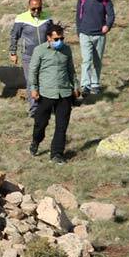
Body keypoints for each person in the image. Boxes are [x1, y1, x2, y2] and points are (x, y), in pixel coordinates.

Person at [28, 23, 80, 163]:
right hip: (46, 93)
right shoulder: (40, 50)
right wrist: (34, 88)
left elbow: (71, 70)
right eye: (56, 39)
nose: (59, 42)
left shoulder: (66, 50)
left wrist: (75, 86)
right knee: (40, 123)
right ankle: (36, 141)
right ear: (49, 38)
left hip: (64, 93)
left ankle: (56, 154)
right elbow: (33, 71)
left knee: (62, 125)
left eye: (61, 38)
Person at [9, 0, 52, 116]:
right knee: (31, 81)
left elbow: (52, 34)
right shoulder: (21, 19)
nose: (37, 12)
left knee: (45, 80)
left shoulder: (47, 17)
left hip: (45, 54)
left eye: (39, 9)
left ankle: (45, 106)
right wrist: (13, 52)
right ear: (29, 7)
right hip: (28, 55)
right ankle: (34, 109)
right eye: (34, 9)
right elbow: (14, 36)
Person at [75, 0, 115, 95]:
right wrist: (79, 31)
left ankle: (95, 84)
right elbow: (78, 16)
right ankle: (85, 85)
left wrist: (107, 26)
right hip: (85, 34)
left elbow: (111, 15)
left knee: (97, 60)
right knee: (86, 60)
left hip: (100, 35)